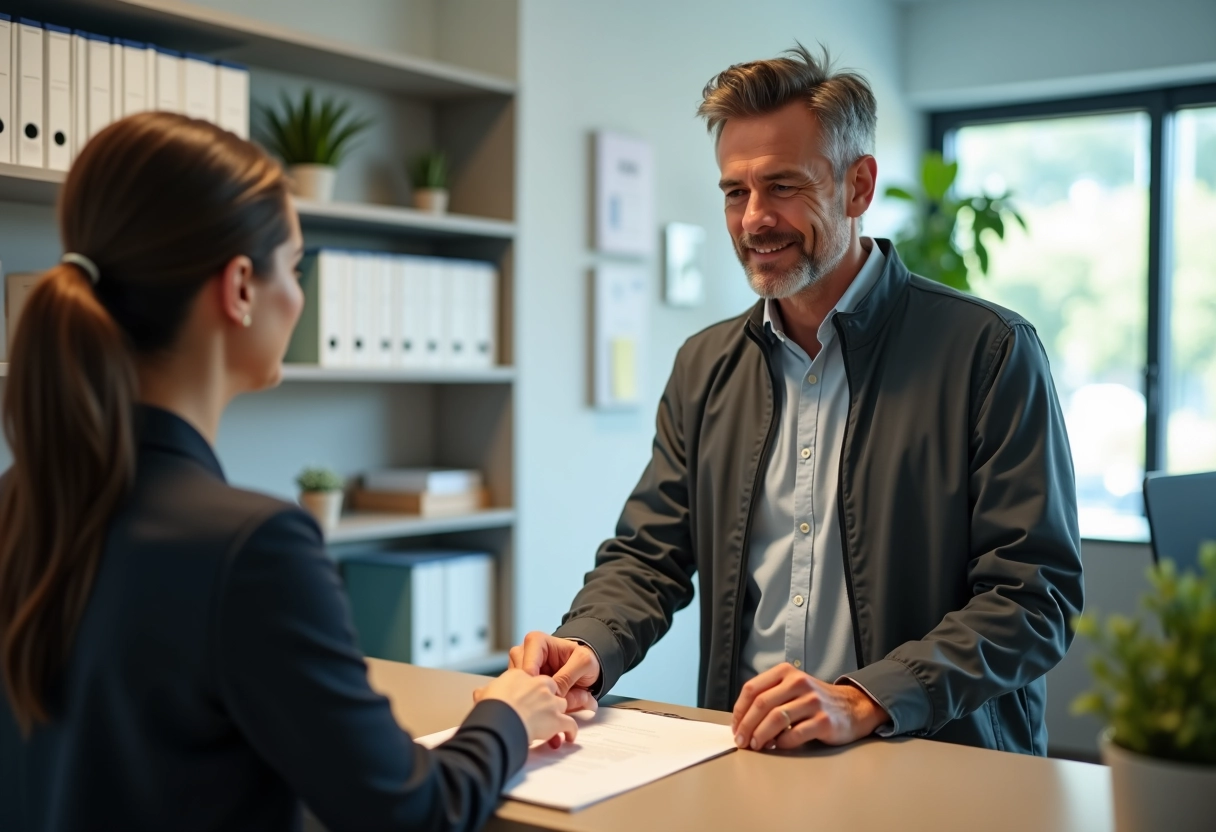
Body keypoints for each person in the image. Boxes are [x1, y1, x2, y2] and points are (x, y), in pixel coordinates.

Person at [0, 112, 577, 832]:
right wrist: (507, 716)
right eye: (296, 268)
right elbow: (412, 812)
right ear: (241, 287)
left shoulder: (19, 502)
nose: (299, 298)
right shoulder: (253, 548)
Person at [509, 45, 1084, 756]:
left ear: (858, 186)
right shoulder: (705, 365)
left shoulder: (989, 352)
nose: (754, 219)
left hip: (935, 763)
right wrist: (586, 645)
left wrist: (868, 697)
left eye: (782, 186)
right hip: (751, 757)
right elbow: (649, 555)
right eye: (735, 192)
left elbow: (1033, 599)